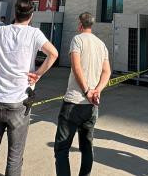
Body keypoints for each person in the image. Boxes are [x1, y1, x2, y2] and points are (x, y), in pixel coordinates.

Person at [0, 0, 59, 176]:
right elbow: (53, 53)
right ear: (31, 15)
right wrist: (38, 74)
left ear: (15, 13)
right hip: (19, 102)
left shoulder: (0, 32)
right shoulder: (34, 34)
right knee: (15, 157)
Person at [54, 12, 111, 176]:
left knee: (62, 149)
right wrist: (97, 90)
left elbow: (76, 67)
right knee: (87, 147)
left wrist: (87, 91)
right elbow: (107, 71)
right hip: (92, 105)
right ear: (91, 24)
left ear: (80, 24)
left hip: (74, 102)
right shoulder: (101, 44)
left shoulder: (77, 40)